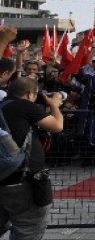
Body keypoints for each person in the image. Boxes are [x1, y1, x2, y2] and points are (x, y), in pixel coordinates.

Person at [0, 77, 64, 240]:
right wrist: (54, 105)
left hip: (3, 177)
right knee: (28, 229)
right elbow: (57, 126)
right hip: (22, 182)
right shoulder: (24, 106)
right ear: (29, 94)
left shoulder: (2, 106)